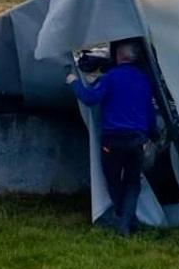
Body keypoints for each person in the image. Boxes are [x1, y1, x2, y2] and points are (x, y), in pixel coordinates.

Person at [65, 40, 156, 237]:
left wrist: (74, 82)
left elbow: (90, 99)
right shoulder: (145, 81)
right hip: (137, 141)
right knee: (133, 183)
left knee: (114, 181)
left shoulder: (110, 78)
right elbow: (149, 114)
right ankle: (128, 221)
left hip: (112, 141)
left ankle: (122, 223)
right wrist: (151, 136)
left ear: (118, 56)